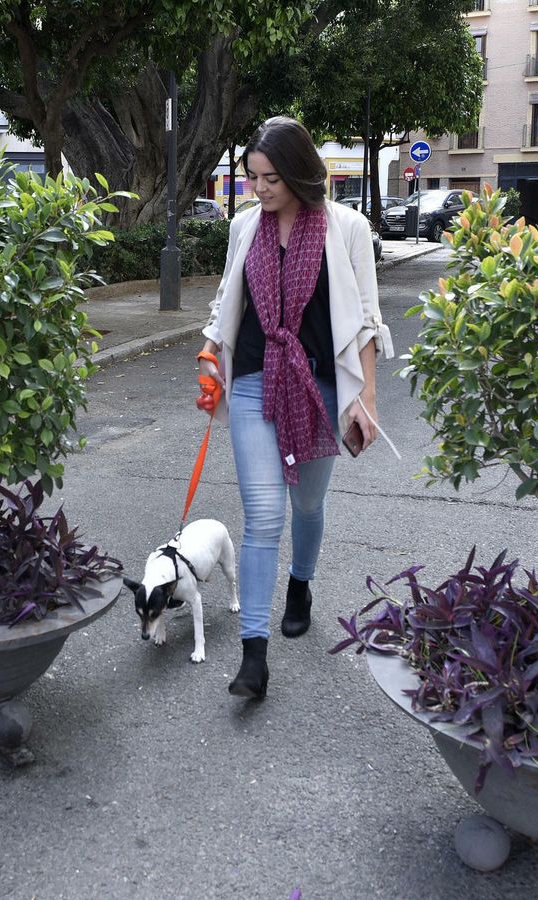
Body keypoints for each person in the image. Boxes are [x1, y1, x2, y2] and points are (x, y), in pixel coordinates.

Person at [197, 116, 391, 701]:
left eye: (271, 179)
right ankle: (253, 656)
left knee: (307, 502)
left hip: (321, 385)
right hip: (256, 379)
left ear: (302, 174)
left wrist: (368, 398)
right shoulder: (243, 227)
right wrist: (210, 351)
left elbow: (364, 319)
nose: (260, 190)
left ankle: (300, 583)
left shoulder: (346, 228)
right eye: (253, 177)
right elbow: (229, 297)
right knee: (262, 516)